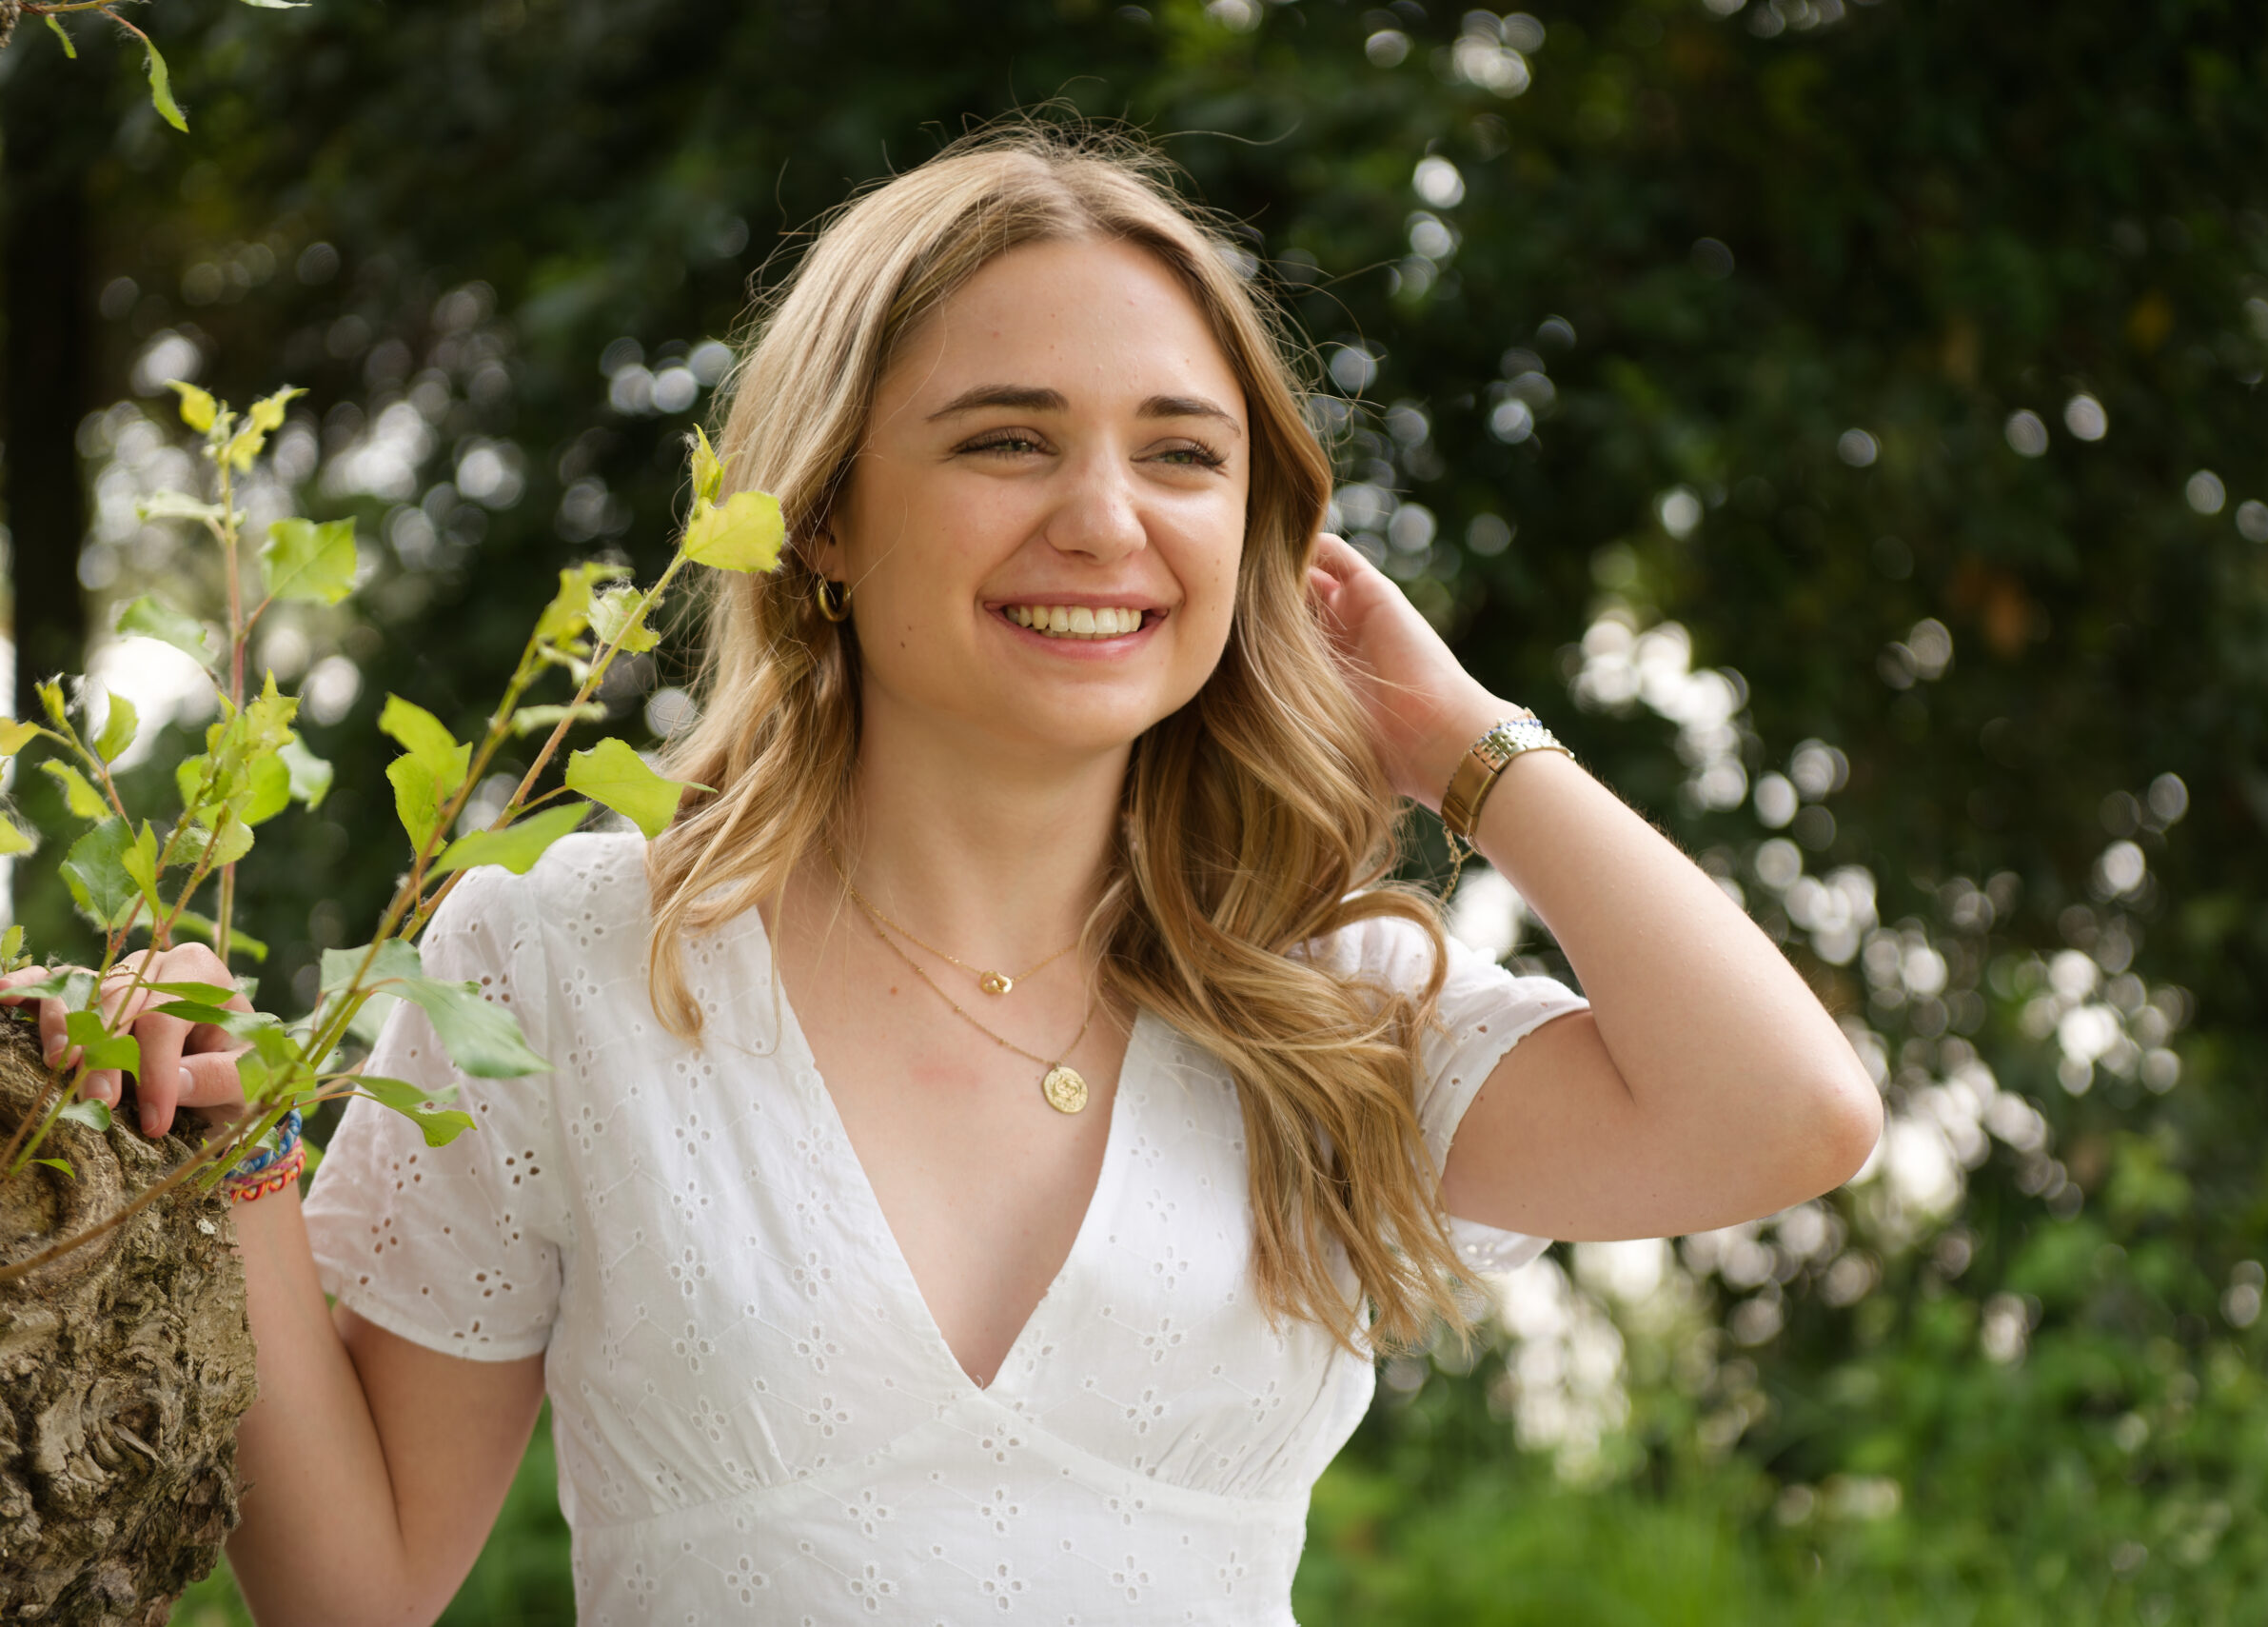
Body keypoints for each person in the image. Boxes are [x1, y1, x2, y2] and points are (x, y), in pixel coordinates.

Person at [15, 127, 1881, 1624]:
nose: (1105, 520)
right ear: (822, 510)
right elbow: (362, 1593)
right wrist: (227, 1166)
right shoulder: (565, 954)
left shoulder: (1330, 1012)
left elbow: (1788, 1118)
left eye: (1182, 457)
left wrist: (1462, 740)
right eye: (1006, 440)